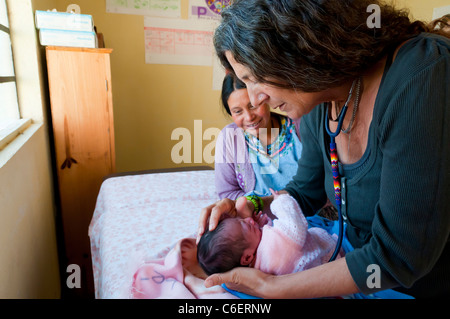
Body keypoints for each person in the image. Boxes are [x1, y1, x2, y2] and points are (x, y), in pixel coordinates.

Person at [198, 0, 450, 299]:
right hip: (349, 260)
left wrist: (273, 287)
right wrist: (252, 206)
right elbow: (305, 194)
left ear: (297, 47)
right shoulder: (322, 101)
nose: (257, 99)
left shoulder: (422, 74)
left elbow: (399, 258)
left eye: (255, 78)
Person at [197, 193, 340, 277]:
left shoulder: (256, 267)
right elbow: (295, 228)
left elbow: (265, 246)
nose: (249, 220)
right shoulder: (274, 249)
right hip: (332, 255)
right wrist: (280, 201)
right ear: (247, 257)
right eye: (245, 225)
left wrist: (261, 227)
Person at [215, 72, 302, 200]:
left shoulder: (300, 127)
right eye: (238, 111)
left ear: (265, 99)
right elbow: (227, 193)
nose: (249, 117)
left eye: (254, 106)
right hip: (257, 217)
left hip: (306, 215)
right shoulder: (229, 137)